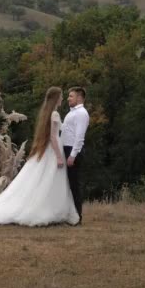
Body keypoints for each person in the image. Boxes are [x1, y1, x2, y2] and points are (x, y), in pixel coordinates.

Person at [0, 86, 80, 226]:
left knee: (42, 181)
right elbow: (54, 138)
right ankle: (49, 209)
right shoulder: (54, 114)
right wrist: (59, 157)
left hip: (47, 151)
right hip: (53, 151)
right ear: (56, 98)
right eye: (61, 96)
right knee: (50, 181)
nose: (63, 98)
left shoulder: (46, 113)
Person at [61, 87, 90, 224]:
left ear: (79, 97)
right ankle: (70, 214)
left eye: (71, 96)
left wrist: (72, 155)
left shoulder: (81, 114)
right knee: (69, 183)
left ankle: (77, 217)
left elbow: (79, 137)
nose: (68, 98)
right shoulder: (72, 113)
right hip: (67, 148)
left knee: (75, 185)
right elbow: (67, 131)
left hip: (73, 150)